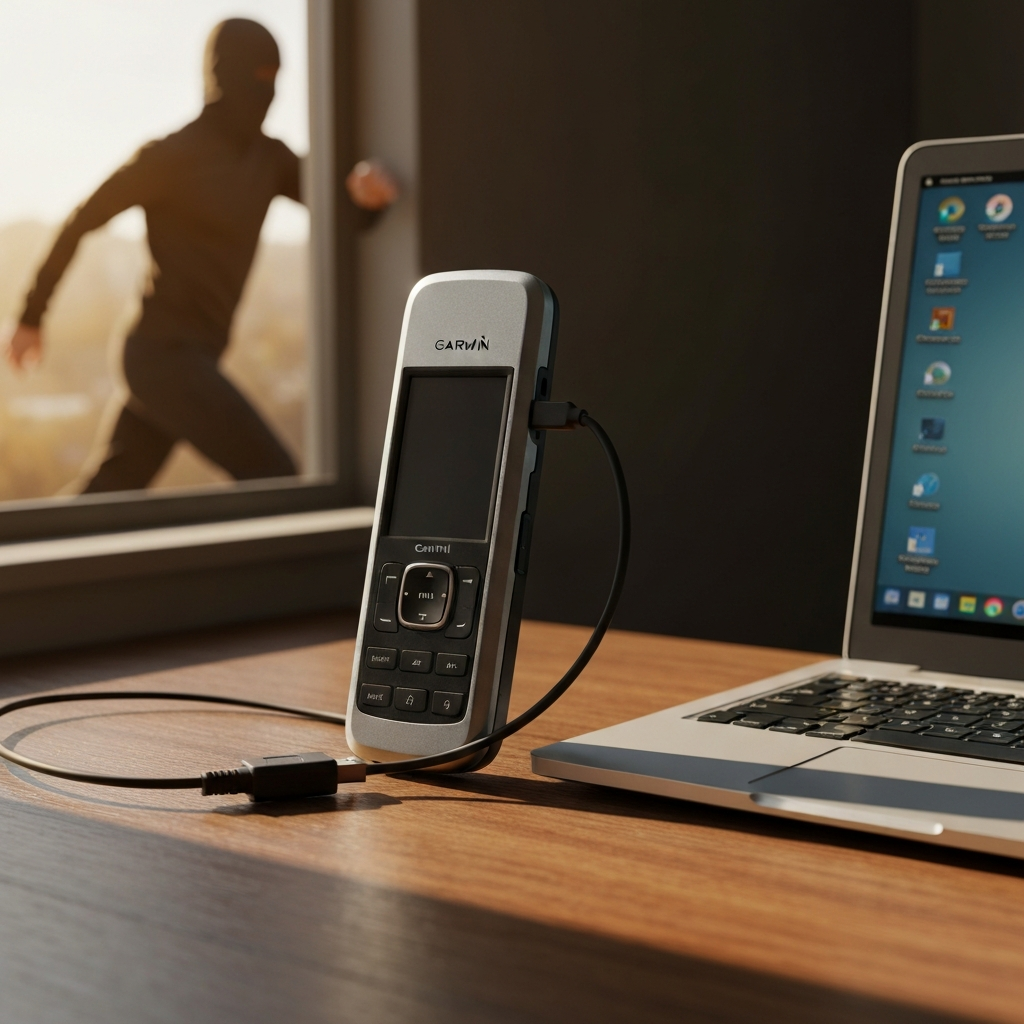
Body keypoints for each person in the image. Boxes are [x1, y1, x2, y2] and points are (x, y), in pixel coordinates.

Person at [6, 18, 397, 493]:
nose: (267, 90)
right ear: (222, 73)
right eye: (257, 75)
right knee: (273, 478)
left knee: (109, 494)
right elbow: (80, 222)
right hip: (159, 355)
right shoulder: (168, 158)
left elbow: (342, 210)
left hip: (193, 359)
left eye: (275, 77)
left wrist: (371, 195)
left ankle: (28, 567)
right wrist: (31, 316)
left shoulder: (271, 160)